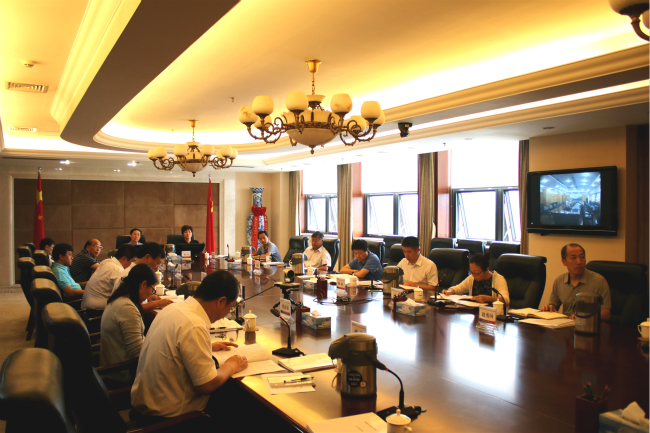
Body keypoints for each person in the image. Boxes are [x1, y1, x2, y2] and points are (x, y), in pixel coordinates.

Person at [131, 270, 248, 421]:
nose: (228, 312)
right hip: (170, 417)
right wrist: (231, 365)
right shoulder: (194, 324)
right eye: (231, 306)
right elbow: (206, 385)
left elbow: (176, 345)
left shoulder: (175, 309)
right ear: (221, 301)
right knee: (239, 403)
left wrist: (207, 345)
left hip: (148, 402)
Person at [100, 264, 157, 378]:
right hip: (123, 373)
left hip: (115, 364)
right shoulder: (126, 308)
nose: (150, 294)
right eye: (152, 289)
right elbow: (138, 353)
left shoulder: (120, 298)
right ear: (143, 284)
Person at [541, 243, 611, 321]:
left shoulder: (599, 281)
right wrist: (550, 308)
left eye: (582, 257)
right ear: (564, 262)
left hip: (588, 325)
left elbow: (606, 314)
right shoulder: (559, 280)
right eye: (573, 258)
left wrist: (583, 315)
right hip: (565, 325)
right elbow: (553, 305)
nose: (579, 262)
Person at [112, 242, 173, 313]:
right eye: (157, 263)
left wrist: (147, 298)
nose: (157, 268)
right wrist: (157, 304)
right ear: (147, 257)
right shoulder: (128, 275)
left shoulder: (139, 272)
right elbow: (131, 309)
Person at [81, 243, 137, 310]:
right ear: (124, 258)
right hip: (96, 311)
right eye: (133, 261)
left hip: (86, 306)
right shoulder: (118, 270)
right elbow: (125, 295)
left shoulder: (106, 262)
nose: (133, 265)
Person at [443, 253, 510, 308]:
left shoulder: (498, 279)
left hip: (492, 314)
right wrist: (450, 291)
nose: (473, 275)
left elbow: (506, 299)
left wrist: (488, 299)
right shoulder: (472, 278)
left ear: (486, 270)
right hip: (474, 313)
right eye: (471, 272)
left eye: (477, 273)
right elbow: (458, 289)